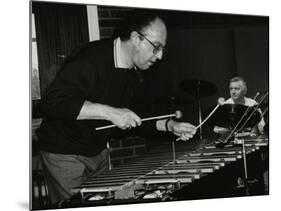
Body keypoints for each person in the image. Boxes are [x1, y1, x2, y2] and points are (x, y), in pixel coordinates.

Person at [36, 10, 197, 205]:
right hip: (63, 151)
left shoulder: (133, 74)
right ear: (137, 38)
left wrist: (169, 125)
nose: (160, 55)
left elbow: (138, 116)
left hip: (97, 151)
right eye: (156, 47)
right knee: (75, 205)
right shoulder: (90, 59)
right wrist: (111, 113)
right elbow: (53, 101)